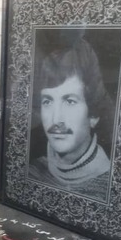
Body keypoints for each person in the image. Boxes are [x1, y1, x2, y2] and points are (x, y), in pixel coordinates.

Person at [29, 37, 113, 200]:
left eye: (70, 101)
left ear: (93, 115)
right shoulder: (33, 169)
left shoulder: (111, 189)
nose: (56, 119)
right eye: (47, 101)